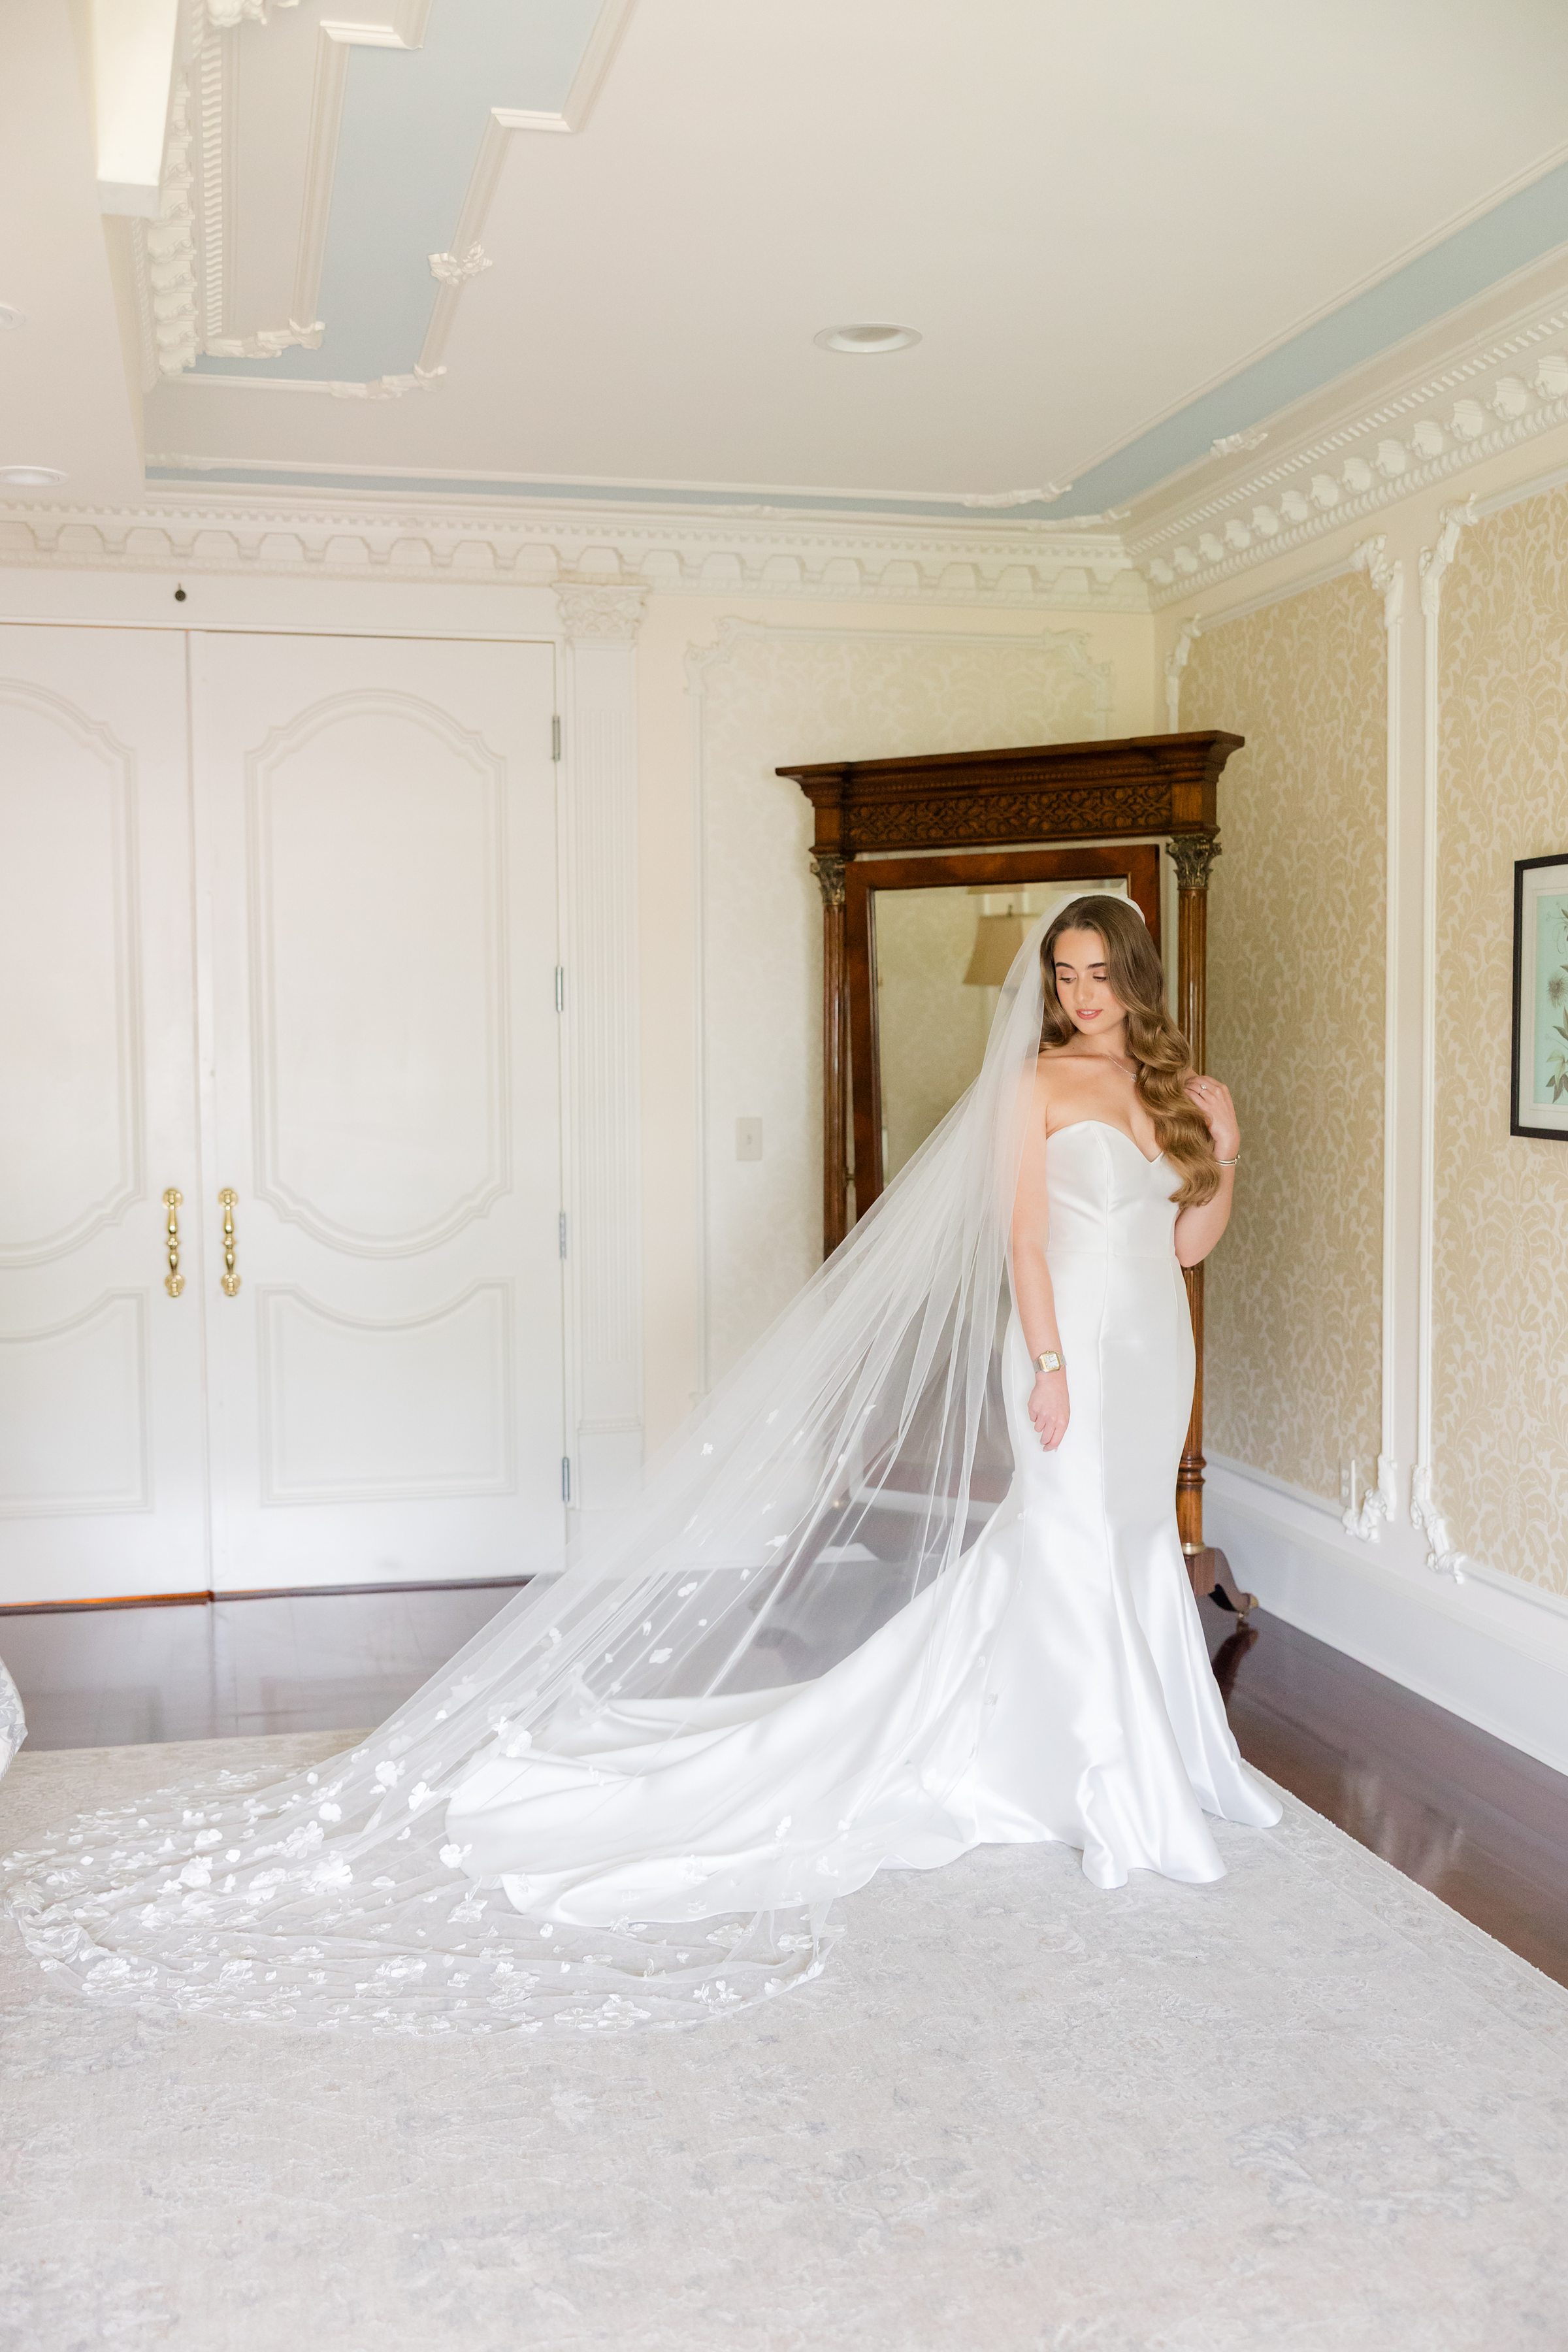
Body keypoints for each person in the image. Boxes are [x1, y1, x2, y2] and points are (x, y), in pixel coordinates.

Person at [2, 897, 1279, 2036]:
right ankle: (1088, 1778)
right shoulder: (1037, 1086)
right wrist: (1047, 1371)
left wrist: (1227, 1144)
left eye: (1098, 974)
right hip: (1065, 1359)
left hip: (1148, 1350)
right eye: (1064, 974)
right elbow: (1023, 1249)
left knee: (1122, 1546)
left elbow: (1180, 1247)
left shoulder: (1177, 1094)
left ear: (1137, 978)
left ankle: (1140, 1756)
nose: (1079, 995)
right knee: (1059, 1544)